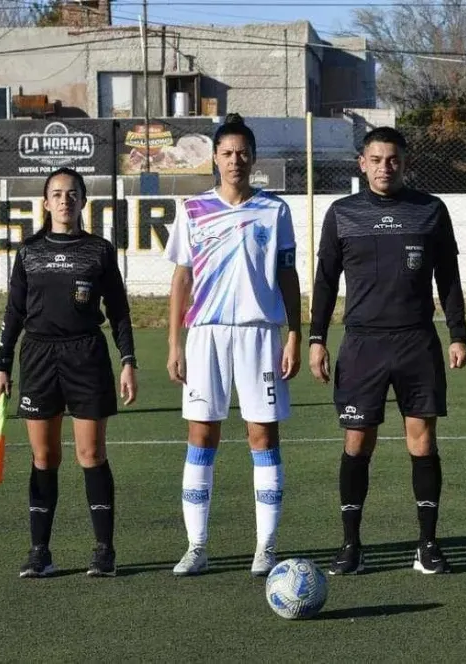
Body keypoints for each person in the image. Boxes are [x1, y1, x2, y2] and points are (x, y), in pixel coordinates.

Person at [308, 126, 466, 576]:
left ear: (405, 162)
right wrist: (316, 338)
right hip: (362, 344)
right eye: (376, 159)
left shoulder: (430, 211)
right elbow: (325, 281)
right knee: (358, 442)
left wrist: (458, 334)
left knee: (422, 441)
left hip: (416, 340)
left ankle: (427, 544)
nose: (385, 167)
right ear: (362, 164)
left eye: (393, 159)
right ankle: (351, 546)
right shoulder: (342, 214)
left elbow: (450, 278)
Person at [165, 113, 302, 578]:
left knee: (262, 437)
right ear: (215, 158)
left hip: (260, 334)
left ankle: (266, 547)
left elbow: (287, 274)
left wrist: (295, 334)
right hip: (205, 333)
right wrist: (175, 343)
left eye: (243, 152)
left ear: (253, 158)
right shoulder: (192, 209)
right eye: (227, 152)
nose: (235, 160)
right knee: (201, 436)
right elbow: (181, 277)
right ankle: (197, 546)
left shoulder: (274, 210)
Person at [0, 167, 138, 579]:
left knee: (90, 455)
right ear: (45, 202)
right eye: (56, 194)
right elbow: (14, 312)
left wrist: (128, 360)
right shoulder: (28, 251)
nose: (64, 200)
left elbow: (120, 312)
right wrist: (2, 363)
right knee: (44, 457)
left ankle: (104, 551)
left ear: (83, 201)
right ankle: (40, 552)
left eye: (72, 194)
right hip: (38, 357)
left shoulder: (100, 251)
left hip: (86, 356)